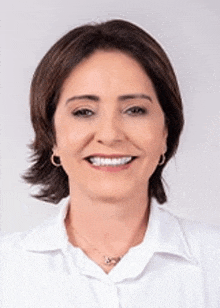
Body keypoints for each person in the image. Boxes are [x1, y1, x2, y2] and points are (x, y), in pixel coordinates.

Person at [0, 19, 220, 307]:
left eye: (135, 110)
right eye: (84, 112)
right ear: (51, 135)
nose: (110, 135)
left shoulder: (213, 262)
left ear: (166, 131)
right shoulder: (8, 269)